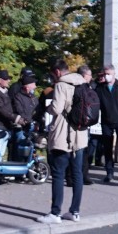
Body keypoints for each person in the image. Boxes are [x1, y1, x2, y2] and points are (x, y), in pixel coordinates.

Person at [36, 60, 88, 224]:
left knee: (58, 174)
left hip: (63, 136)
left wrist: (49, 107)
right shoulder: (83, 83)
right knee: (77, 173)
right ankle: (75, 211)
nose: (53, 77)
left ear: (57, 72)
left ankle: (55, 213)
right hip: (79, 136)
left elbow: (57, 109)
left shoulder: (61, 85)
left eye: (53, 74)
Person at [0, 69, 24, 166]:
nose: (8, 81)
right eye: (6, 79)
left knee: (0, 154)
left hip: (5, 127)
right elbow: (2, 110)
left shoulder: (4, 93)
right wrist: (16, 119)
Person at [11, 74, 38, 162]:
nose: (35, 87)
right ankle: (18, 171)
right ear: (27, 86)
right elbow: (20, 111)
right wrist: (28, 120)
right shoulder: (18, 97)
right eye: (33, 85)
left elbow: (37, 109)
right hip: (22, 128)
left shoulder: (34, 98)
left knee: (31, 149)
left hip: (32, 127)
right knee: (20, 149)